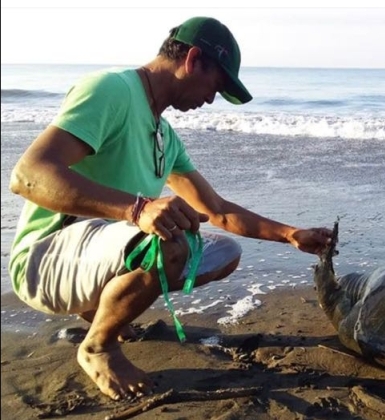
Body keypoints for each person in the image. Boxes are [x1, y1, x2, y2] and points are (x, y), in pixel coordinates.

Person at [8, 16, 331, 401]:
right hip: (43, 262)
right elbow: (28, 175)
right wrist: (137, 209)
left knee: (224, 251)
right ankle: (98, 347)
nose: (212, 99)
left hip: (93, 255)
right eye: (217, 85)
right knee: (167, 240)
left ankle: (99, 309)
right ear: (194, 60)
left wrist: (291, 234)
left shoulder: (164, 135)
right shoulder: (112, 90)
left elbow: (219, 212)